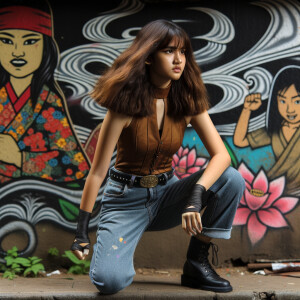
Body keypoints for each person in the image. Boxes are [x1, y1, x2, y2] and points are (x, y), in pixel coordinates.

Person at [71, 19, 245, 294]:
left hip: (167, 195)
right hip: (125, 201)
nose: (179, 60)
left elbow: (222, 156)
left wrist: (196, 194)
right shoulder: (123, 106)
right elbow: (96, 172)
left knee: (231, 179)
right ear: (149, 57)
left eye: (183, 52)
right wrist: (81, 231)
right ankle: (113, 264)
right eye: (169, 51)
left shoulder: (187, 100)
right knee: (109, 282)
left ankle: (196, 263)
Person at [0, 1, 90, 184]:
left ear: (45, 47)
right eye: (6, 40)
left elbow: (75, 167)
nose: (17, 52)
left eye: (30, 41)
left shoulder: (48, 101)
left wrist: (19, 158)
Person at [234, 66, 300, 195]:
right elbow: (240, 141)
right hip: (278, 191)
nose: (289, 109)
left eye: (297, 101)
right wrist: (247, 110)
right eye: (282, 101)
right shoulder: (274, 131)